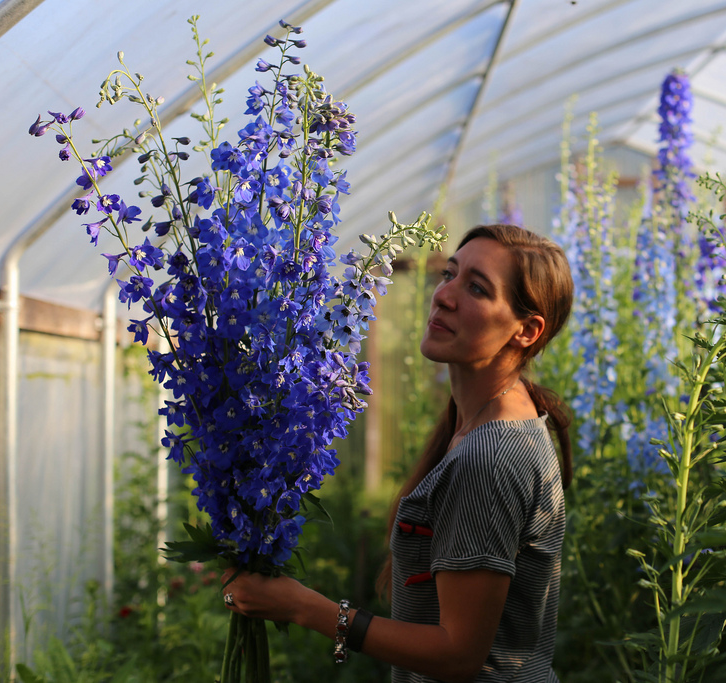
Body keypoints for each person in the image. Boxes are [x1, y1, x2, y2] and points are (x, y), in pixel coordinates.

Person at [221, 223, 575, 682]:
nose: (444, 295)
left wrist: (304, 607)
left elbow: (458, 655)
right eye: (449, 274)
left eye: (476, 288)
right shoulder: (485, 422)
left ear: (526, 330)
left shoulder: (491, 457)